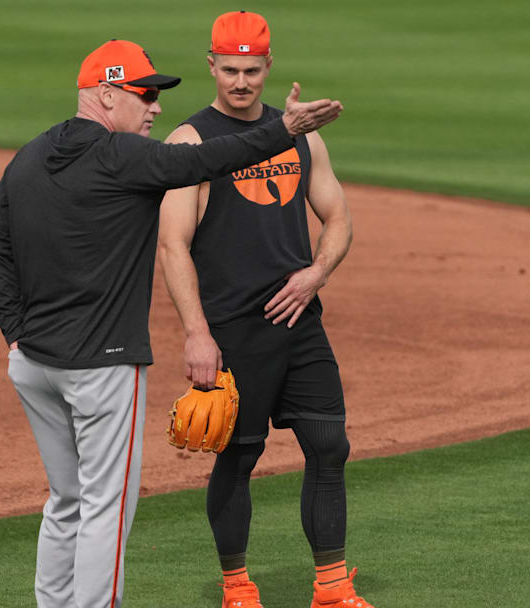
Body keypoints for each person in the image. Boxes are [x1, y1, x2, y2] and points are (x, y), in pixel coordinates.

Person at [0, 38, 342, 608]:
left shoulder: (28, 155)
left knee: (66, 500)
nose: (155, 107)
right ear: (105, 95)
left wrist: (14, 328)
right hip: (99, 368)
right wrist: (283, 131)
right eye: (144, 94)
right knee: (106, 504)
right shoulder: (120, 157)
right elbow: (201, 161)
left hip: (32, 364)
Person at [157, 11, 372, 608]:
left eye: (252, 70)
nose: (242, 82)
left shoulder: (299, 133)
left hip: (301, 321)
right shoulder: (191, 143)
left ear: (269, 66)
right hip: (232, 330)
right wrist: (197, 334)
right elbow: (173, 243)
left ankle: (331, 587)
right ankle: (237, 587)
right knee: (240, 454)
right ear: (211, 66)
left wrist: (315, 274)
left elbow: (338, 216)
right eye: (230, 70)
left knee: (330, 445)